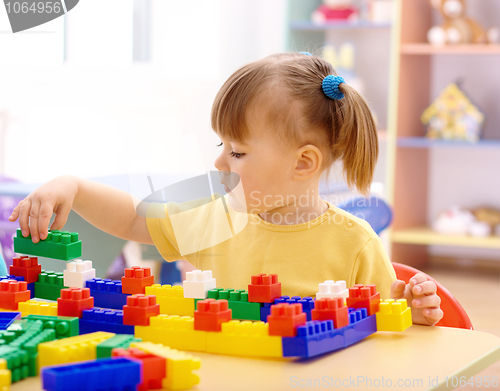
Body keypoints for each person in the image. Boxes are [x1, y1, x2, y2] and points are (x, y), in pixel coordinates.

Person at [9, 53, 442, 326]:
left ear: (303, 163)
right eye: (223, 146)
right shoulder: (217, 218)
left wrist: (415, 313)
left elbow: (388, 326)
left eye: (237, 152)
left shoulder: (354, 245)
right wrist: (77, 187)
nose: (219, 162)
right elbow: (134, 218)